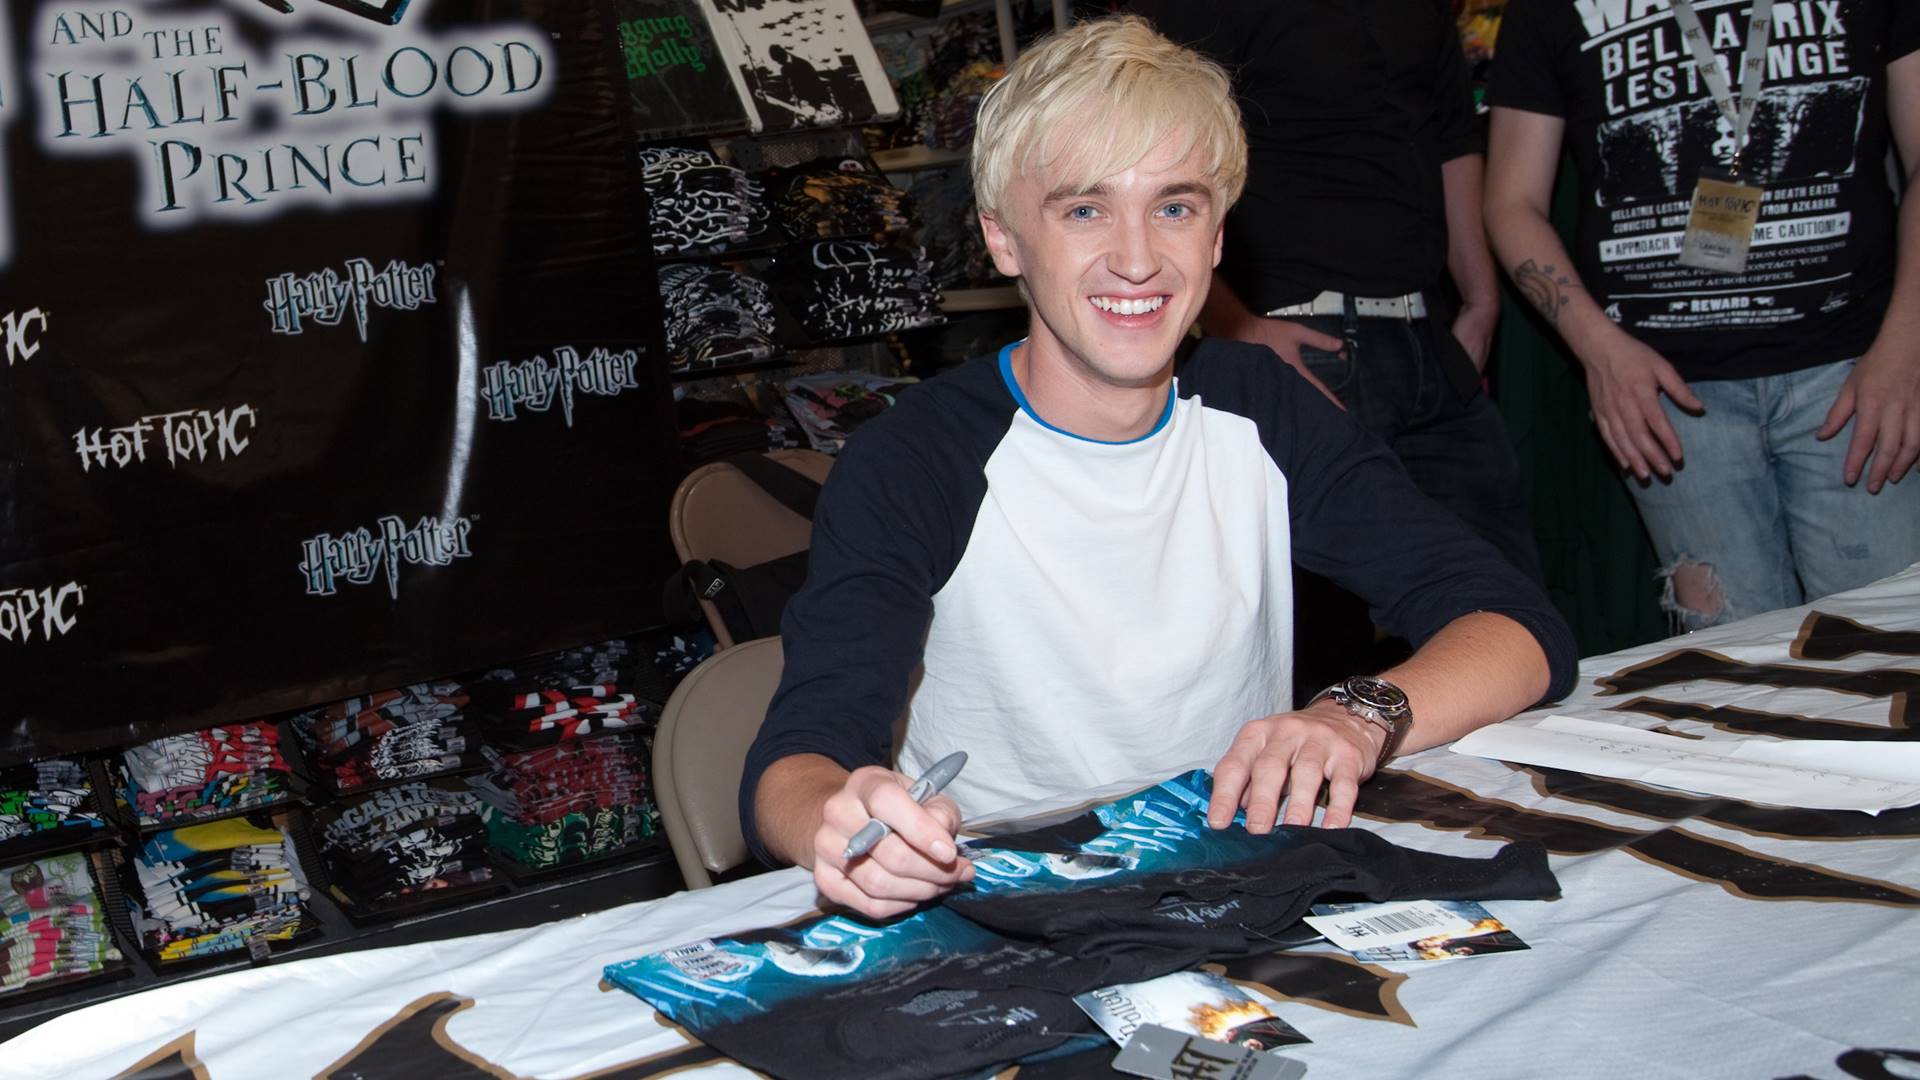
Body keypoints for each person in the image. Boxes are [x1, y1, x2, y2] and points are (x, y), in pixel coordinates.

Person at [741, 16, 1576, 920]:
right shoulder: (917, 459)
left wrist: (1356, 714)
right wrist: (838, 820)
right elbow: (797, 756)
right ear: (1004, 240)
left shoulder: (1265, 409)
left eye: (1174, 206)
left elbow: (1519, 627)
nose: (1137, 258)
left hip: (1239, 891)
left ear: (1218, 237)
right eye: (1084, 208)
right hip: (1009, 915)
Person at [1484, 0, 1920, 630]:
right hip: (1665, 399)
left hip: (1855, 379)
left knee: (1884, 655)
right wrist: (1598, 351)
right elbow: (1510, 201)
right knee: (1734, 669)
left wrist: (1907, 347)